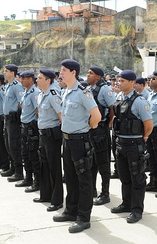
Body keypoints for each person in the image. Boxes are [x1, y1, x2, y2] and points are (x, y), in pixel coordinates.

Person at [52, 59, 101, 234]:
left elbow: (96, 116)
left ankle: (83, 217)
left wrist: (88, 126)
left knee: (83, 180)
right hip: (68, 140)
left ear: (73, 73)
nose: (61, 73)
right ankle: (71, 211)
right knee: (71, 178)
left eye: (64, 70)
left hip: (80, 141)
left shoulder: (82, 92)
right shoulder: (66, 91)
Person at [110, 70, 153, 223]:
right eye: (118, 81)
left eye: (122, 81)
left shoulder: (139, 101)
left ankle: (136, 209)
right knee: (124, 177)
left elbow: (148, 124)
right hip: (120, 144)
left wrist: (143, 138)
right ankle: (126, 204)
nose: (119, 83)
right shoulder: (120, 98)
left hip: (134, 145)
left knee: (137, 178)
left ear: (132, 82)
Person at [35, 68, 64, 211]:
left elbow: (61, 116)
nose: (37, 80)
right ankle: (45, 194)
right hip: (43, 133)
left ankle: (57, 200)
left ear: (48, 80)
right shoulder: (41, 94)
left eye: (40, 78)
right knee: (44, 165)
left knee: (54, 168)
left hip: (52, 135)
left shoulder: (53, 94)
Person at [86, 66, 116, 205]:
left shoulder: (104, 89)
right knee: (91, 162)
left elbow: (112, 108)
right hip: (90, 129)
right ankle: (92, 190)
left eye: (91, 73)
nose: (88, 75)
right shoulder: (89, 89)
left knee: (103, 163)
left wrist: (108, 124)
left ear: (98, 76)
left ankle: (105, 193)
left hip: (101, 130)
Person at [17, 71, 41, 189]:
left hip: (32, 128)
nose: (21, 80)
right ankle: (28, 178)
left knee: (33, 155)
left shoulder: (34, 93)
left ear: (30, 79)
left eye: (23, 78)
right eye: (20, 78)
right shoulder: (26, 92)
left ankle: (37, 181)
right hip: (24, 126)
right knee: (25, 154)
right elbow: (21, 106)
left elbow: (38, 111)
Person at [2, 64, 25, 181]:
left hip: (13, 120)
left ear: (12, 73)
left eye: (6, 71)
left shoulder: (17, 86)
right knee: (8, 144)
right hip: (6, 119)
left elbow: (21, 103)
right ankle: (12, 167)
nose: (4, 73)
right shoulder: (8, 86)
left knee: (14, 145)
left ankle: (19, 171)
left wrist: (18, 117)